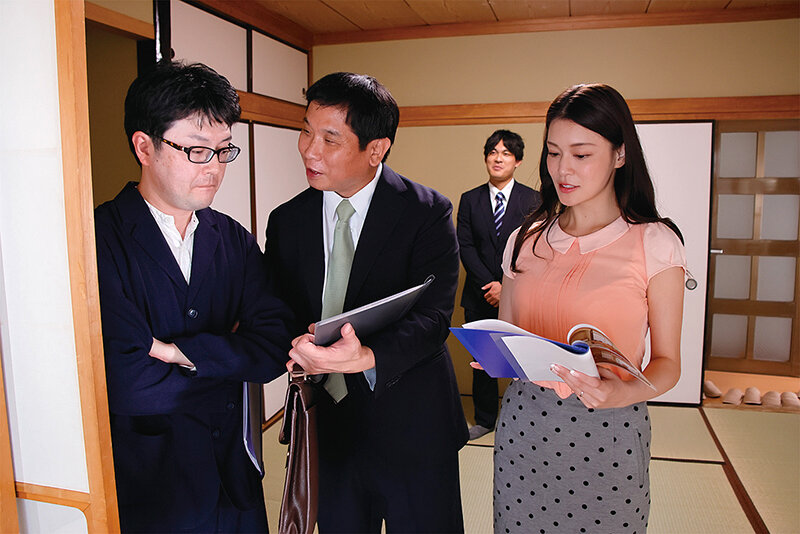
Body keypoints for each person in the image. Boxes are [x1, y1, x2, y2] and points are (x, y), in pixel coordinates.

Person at [264, 72, 467, 533]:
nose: (309, 150)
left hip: (414, 426)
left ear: (376, 149)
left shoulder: (426, 212)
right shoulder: (287, 220)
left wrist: (367, 355)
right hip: (329, 430)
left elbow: (434, 318)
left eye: (330, 139)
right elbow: (277, 309)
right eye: (306, 131)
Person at [95, 61, 292, 533]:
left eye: (224, 151)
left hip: (234, 477)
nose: (215, 168)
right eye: (197, 151)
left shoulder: (233, 239)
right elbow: (126, 380)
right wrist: (230, 360)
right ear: (144, 147)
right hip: (151, 486)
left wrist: (176, 353)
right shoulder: (99, 238)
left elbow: (272, 348)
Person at [490, 83, 685, 533]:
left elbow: (668, 363)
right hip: (525, 426)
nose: (563, 169)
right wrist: (496, 354)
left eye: (581, 154)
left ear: (620, 154)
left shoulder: (655, 242)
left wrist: (622, 394)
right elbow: (507, 330)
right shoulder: (525, 239)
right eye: (553, 153)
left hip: (610, 430)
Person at [457, 129, 541, 441]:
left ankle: (528, 418)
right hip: (479, 295)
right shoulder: (470, 199)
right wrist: (489, 285)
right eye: (493, 152)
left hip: (519, 293)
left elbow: (535, 248)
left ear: (518, 161)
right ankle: (485, 419)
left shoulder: (533, 199)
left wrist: (506, 286)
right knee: (483, 361)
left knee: (524, 357)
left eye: (506, 153)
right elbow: (465, 246)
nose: (498, 158)